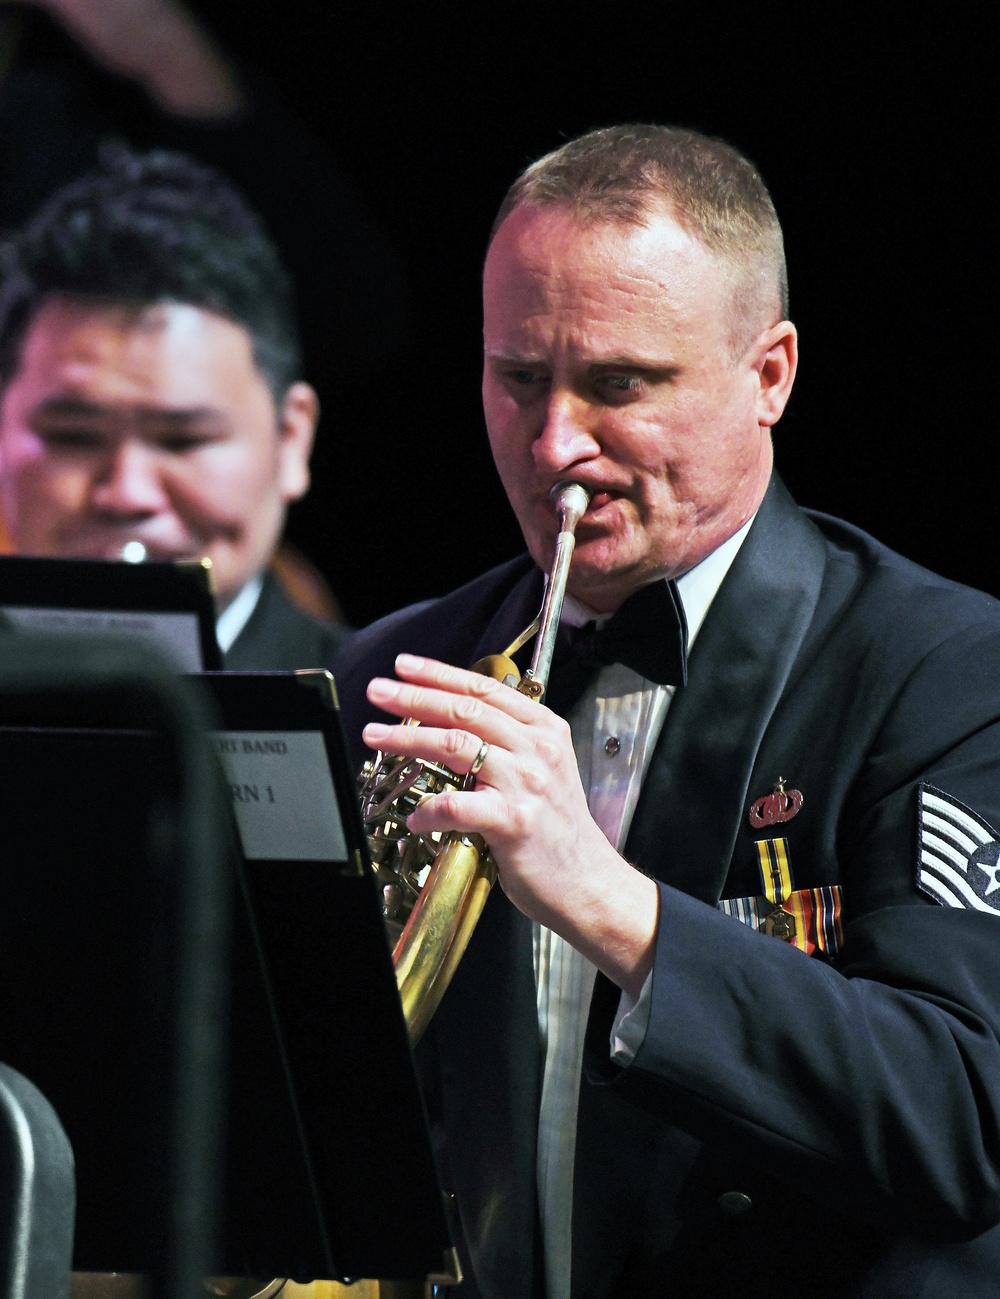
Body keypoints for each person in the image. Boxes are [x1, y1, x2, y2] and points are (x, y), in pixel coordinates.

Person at [332, 124, 1000, 1297]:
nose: (556, 448)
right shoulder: (397, 667)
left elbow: (960, 1119)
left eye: (620, 385)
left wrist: (607, 901)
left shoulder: (937, 666)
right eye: (518, 378)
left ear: (770, 375)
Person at [0, 144, 350, 667]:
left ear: (292, 439)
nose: (127, 494)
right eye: (73, 436)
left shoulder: (391, 725)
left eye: (183, 440)